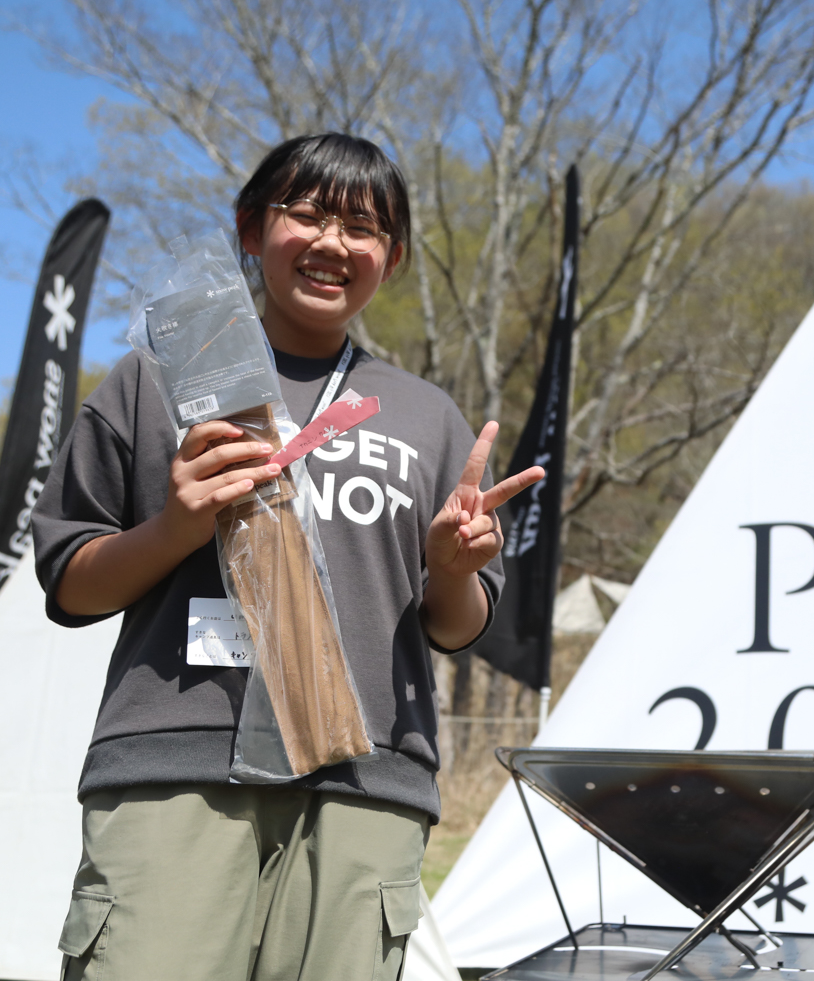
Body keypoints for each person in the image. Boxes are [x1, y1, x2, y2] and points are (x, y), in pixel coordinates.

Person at [32, 132, 544, 981]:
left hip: (367, 780)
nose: (333, 243)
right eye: (306, 215)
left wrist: (455, 569)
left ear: (392, 257)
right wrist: (176, 527)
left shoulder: (426, 416)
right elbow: (70, 584)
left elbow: (456, 628)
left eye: (364, 228)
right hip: (175, 763)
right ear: (250, 228)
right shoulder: (157, 379)